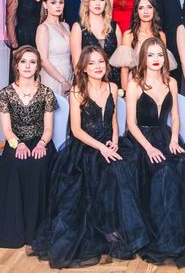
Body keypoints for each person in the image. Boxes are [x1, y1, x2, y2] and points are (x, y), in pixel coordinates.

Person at [31, 46, 149, 268]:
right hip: (86, 146)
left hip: (109, 142)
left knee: (125, 167)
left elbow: (113, 121)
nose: (97, 66)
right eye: (92, 63)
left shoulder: (112, 87)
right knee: (106, 172)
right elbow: (76, 130)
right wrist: (101, 148)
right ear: (84, 68)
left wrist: (114, 140)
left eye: (101, 62)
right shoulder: (77, 91)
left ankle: (117, 229)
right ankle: (105, 232)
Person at [125, 37, 185, 267]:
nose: (156, 59)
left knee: (182, 159)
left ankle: (177, 230)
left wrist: (175, 139)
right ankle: (162, 233)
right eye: (151, 55)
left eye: (160, 55)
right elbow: (131, 124)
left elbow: (175, 117)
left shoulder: (171, 82)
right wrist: (149, 148)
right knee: (163, 169)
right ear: (143, 58)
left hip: (165, 135)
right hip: (141, 140)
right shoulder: (134, 84)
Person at [0, 46, 58, 248]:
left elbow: (48, 128)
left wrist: (42, 144)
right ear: (16, 65)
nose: (28, 66)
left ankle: (37, 226)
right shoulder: (6, 93)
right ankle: (15, 224)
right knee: (16, 165)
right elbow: (7, 130)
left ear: (38, 67)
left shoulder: (46, 93)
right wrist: (17, 145)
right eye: (23, 62)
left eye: (32, 62)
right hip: (15, 141)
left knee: (39, 165)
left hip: (41, 141)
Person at [109, 0, 175, 92]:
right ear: (136, 11)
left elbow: (165, 66)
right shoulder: (129, 35)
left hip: (156, 83)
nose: (145, 11)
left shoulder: (161, 35)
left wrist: (165, 87)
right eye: (141, 8)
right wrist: (126, 90)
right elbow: (124, 68)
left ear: (154, 10)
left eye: (149, 7)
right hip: (135, 83)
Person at [70, 0, 122, 86]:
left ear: (106, 3)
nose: (98, 3)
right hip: (88, 82)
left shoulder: (114, 27)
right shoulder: (78, 27)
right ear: (87, 2)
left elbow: (121, 59)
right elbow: (76, 62)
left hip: (113, 82)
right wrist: (83, 86)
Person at [5, 0, 46, 82]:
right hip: (23, 37)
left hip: (42, 37)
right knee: (22, 77)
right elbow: (9, 21)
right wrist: (15, 47)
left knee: (41, 76)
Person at [36, 0, 72, 95]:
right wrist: (62, 81)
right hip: (52, 77)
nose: (58, 6)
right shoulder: (43, 28)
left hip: (69, 75)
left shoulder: (66, 26)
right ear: (45, 5)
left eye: (61, 2)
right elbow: (43, 60)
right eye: (53, 2)